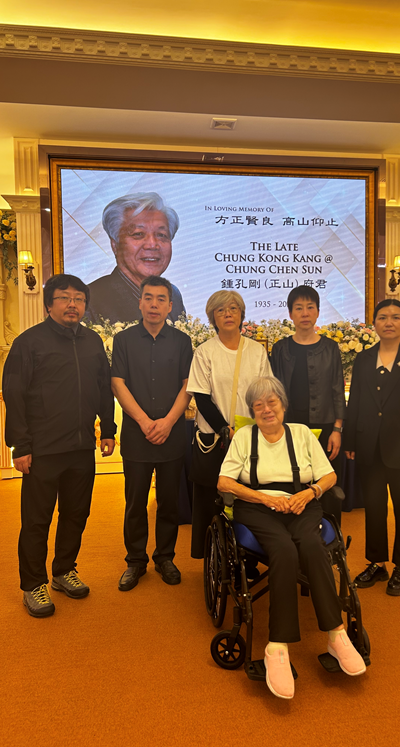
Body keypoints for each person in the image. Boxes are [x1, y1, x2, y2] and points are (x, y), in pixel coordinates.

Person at [218, 376, 366, 700]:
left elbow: (330, 475)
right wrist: (264, 498)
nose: (266, 409)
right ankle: (277, 647)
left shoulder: (301, 434)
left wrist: (310, 493)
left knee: (313, 546)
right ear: (252, 411)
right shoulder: (244, 437)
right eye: (258, 405)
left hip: (302, 502)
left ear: (283, 405)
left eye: (272, 402)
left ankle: (336, 635)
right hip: (257, 507)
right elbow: (224, 483)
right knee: (283, 550)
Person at [2, 273, 116, 618]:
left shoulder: (92, 341)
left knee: (76, 514)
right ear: (49, 304)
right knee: (36, 520)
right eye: (65, 298)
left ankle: (64, 570)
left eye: (79, 299)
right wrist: (20, 446)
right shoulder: (28, 343)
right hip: (43, 449)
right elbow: (14, 395)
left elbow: (103, 387)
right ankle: (32, 583)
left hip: (81, 447)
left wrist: (108, 429)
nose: (72, 305)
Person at [343, 299, 400, 596]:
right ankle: (377, 563)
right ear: (375, 324)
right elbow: (355, 401)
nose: (389, 322)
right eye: (382, 317)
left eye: (395, 317)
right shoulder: (363, 359)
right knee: (374, 509)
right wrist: (351, 441)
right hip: (368, 447)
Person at [111, 275, 193, 588]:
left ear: (170, 306)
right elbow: (117, 383)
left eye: (161, 299)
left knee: (169, 502)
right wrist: (145, 422)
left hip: (172, 434)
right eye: (148, 298)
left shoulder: (182, 342)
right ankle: (135, 561)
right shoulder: (124, 340)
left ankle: (165, 557)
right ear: (140, 302)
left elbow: (188, 385)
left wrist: (168, 422)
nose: (154, 305)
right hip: (137, 435)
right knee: (135, 503)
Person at [187, 290, 271, 560]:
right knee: (213, 499)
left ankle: (248, 556)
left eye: (233, 309)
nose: (228, 314)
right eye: (221, 310)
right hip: (215, 439)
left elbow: (265, 393)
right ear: (213, 316)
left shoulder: (256, 351)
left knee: (248, 499)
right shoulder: (205, 352)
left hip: (249, 438)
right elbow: (201, 397)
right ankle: (215, 558)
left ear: (241, 314)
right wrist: (225, 429)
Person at [270, 285, 345, 523]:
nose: (305, 313)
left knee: (324, 482)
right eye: (299, 308)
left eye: (310, 307)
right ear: (290, 314)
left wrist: (337, 429)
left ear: (318, 312)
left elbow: (337, 388)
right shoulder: (280, 349)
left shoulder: (330, 348)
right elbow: (274, 390)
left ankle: (329, 534)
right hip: (289, 427)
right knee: (291, 480)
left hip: (324, 426)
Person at [85, 192, 185, 324]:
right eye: (138, 234)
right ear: (115, 245)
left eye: (161, 235)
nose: (152, 245)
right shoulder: (89, 300)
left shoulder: (173, 294)